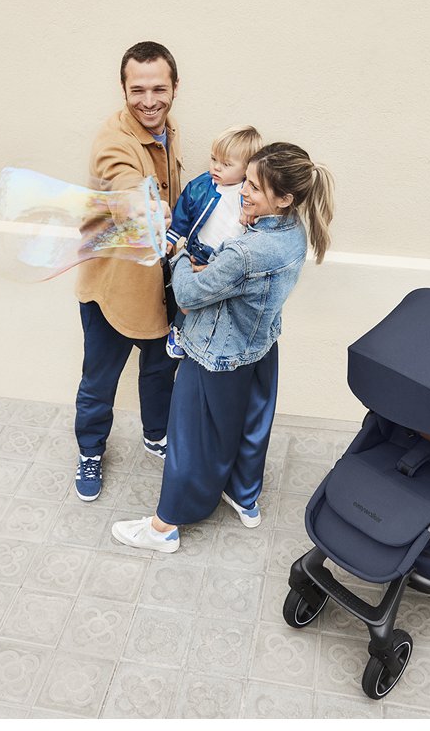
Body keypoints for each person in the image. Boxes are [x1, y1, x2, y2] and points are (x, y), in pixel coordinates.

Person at [111, 142, 335, 552]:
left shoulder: (245, 251)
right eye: (246, 180)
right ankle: (244, 498)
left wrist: (180, 255)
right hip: (259, 347)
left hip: (214, 355)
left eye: (255, 187)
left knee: (190, 438)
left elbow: (187, 296)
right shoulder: (294, 233)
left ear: (284, 198)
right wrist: (221, 262)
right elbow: (243, 279)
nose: (243, 191)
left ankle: (164, 527)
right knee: (250, 425)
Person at [73, 41, 185, 502]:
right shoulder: (113, 141)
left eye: (159, 89)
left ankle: (156, 434)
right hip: (112, 291)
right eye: (137, 90)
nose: (149, 101)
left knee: (159, 370)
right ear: (123, 90)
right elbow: (124, 181)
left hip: (157, 286)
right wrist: (144, 206)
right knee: (99, 381)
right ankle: (90, 451)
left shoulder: (168, 128)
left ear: (175, 88)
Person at [164, 124, 263, 358]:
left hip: (228, 258)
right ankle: (178, 330)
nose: (216, 167)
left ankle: (205, 337)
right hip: (200, 252)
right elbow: (183, 212)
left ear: (247, 168)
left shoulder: (249, 194)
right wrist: (171, 237)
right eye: (213, 159)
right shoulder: (201, 186)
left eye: (226, 164)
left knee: (214, 303)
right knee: (188, 301)